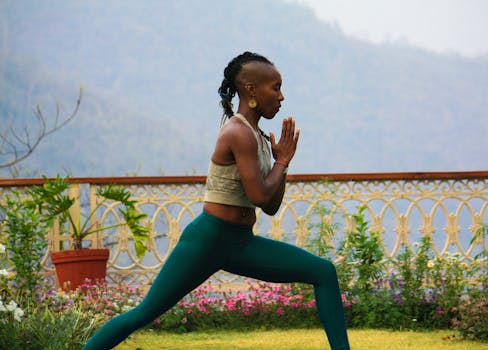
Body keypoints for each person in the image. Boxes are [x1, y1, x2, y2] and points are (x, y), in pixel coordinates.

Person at [83, 51, 351, 350]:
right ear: (251, 90)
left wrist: (282, 164)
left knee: (323, 271)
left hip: (240, 243)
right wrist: (281, 163)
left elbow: (271, 207)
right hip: (207, 240)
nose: (282, 96)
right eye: (275, 87)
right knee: (143, 314)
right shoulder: (238, 133)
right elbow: (260, 196)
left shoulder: (259, 137)